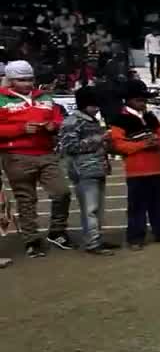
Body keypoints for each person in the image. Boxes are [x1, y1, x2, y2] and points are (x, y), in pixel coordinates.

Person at [0, 59, 74, 257]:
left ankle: (57, 231)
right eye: (21, 80)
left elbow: (59, 118)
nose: (27, 83)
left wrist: (54, 126)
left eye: (30, 79)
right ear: (11, 80)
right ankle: (31, 239)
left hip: (46, 152)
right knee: (26, 199)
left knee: (62, 192)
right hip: (16, 155)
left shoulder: (44, 96)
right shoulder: (1, 98)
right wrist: (20, 129)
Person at [109, 80, 160, 250]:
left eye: (143, 100)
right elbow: (119, 145)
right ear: (128, 100)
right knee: (136, 206)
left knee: (159, 204)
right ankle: (135, 238)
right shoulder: (120, 119)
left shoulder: (150, 117)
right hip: (135, 170)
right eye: (139, 100)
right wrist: (144, 144)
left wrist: (157, 141)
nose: (142, 103)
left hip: (155, 167)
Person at [55, 85, 116, 255]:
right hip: (83, 169)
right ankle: (92, 242)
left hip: (96, 167)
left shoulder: (90, 119)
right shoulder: (72, 121)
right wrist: (100, 138)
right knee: (90, 209)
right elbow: (69, 146)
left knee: (97, 208)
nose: (96, 109)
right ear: (84, 105)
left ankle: (96, 238)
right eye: (93, 105)